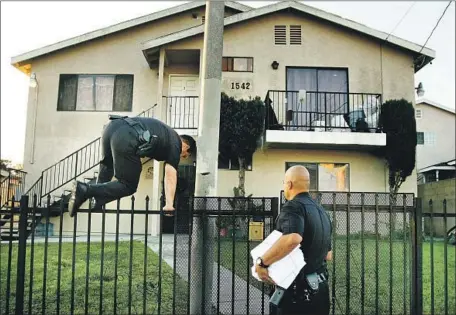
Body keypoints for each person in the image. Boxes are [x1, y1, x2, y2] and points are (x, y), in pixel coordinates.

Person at [68, 116, 196, 217]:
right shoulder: (176, 143)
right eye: (184, 156)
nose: (181, 157)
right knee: (128, 185)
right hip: (128, 135)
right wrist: (169, 204)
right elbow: (170, 174)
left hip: (112, 127)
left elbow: (106, 167)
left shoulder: (166, 132)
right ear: (186, 147)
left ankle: (97, 199)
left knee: (108, 166)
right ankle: (84, 190)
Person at [254, 165, 332, 315]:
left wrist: (262, 262)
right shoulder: (322, 212)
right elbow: (328, 255)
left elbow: (293, 238)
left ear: (289, 184)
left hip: (296, 294)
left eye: (284, 182)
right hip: (320, 292)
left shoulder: (293, 206)